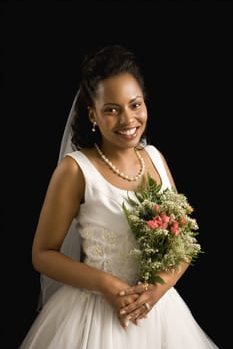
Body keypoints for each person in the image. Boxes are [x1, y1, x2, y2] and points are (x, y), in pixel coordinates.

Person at [19, 44, 219, 348]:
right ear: (93, 115)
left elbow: (186, 240)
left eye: (135, 105)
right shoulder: (76, 170)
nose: (128, 120)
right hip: (94, 312)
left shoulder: (155, 158)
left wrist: (158, 288)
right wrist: (107, 285)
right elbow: (42, 254)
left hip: (160, 312)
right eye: (111, 110)